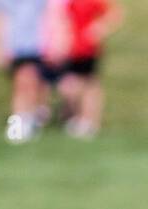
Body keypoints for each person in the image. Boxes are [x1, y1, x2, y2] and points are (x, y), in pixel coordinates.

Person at [51, 0, 122, 138]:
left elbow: (114, 13)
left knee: (89, 85)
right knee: (70, 85)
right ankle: (76, 118)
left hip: (86, 50)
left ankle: (89, 121)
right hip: (67, 49)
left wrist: (99, 28)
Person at [0, 0, 51, 141]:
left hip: (37, 44)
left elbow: (50, 16)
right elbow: (1, 19)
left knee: (32, 83)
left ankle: (31, 117)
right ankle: (21, 122)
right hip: (16, 45)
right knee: (21, 85)